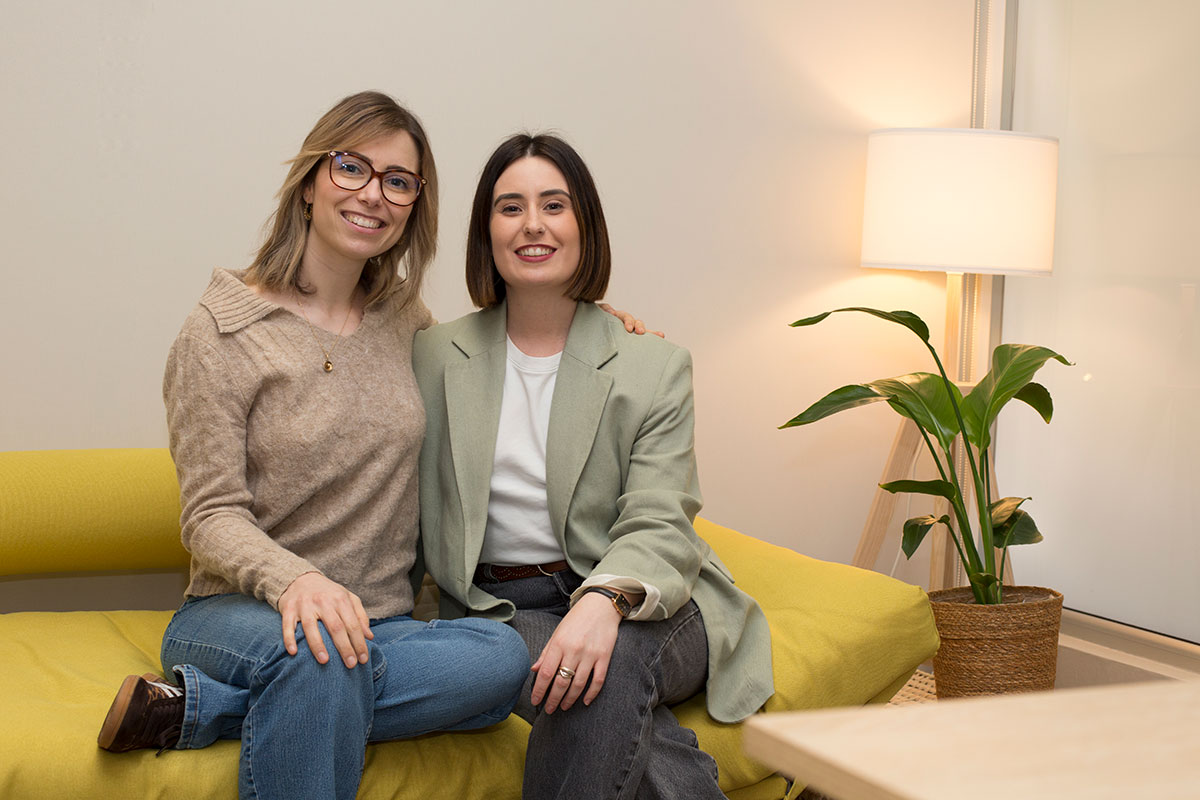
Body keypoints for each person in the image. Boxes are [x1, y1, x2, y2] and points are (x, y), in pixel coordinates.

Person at [95, 91, 534, 800]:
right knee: (321, 654)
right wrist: (299, 582)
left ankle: (203, 710)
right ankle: (281, 682)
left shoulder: (403, 319)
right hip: (239, 614)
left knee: (502, 657)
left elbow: (496, 368)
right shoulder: (221, 332)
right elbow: (210, 516)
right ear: (309, 182)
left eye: (398, 181)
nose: (374, 195)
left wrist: (595, 329)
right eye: (351, 167)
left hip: (380, 624)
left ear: (414, 205)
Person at [413, 133, 775, 800]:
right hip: (501, 607)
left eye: (554, 205)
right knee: (589, 685)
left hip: (654, 600)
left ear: (585, 223)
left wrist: (604, 601)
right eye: (509, 207)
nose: (532, 225)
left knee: (612, 658)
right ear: (485, 231)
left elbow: (661, 517)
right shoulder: (433, 356)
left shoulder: (652, 365)